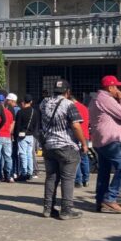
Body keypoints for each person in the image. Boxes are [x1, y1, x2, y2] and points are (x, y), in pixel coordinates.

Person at [39, 79, 87, 220]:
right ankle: (66, 210)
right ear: (68, 92)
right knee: (68, 178)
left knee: (51, 177)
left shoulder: (44, 102)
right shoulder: (69, 104)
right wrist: (83, 143)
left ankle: (48, 208)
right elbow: (76, 126)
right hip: (66, 146)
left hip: (49, 146)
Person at [88, 75, 121, 214]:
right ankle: (110, 198)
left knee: (104, 171)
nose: (118, 89)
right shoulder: (106, 99)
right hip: (109, 140)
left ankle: (101, 200)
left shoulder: (96, 99)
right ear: (110, 87)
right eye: (116, 86)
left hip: (100, 140)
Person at [14, 94, 39, 182]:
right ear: (31, 102)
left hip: (22, 136)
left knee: (22, 154)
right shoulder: (34, 112)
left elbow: (17, 125)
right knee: (29, 155)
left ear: (23, 102)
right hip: (31, 136)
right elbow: (36, 124)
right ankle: (30, 172)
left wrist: (15, 135)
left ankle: (23, 173)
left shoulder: (20, 112)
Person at [72, 95, 90, 189]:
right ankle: (86, 179)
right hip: (85, 135)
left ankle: (78, 180)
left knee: (76, 158)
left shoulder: (72, 107)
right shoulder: (85, 108)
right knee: (84, 158)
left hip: (76, 134)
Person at [0, 93, 16, 183]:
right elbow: (12, 123)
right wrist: (9, 132)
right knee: (8, 157)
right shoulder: (9, 113)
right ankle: (8, 175)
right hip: (7, 136)